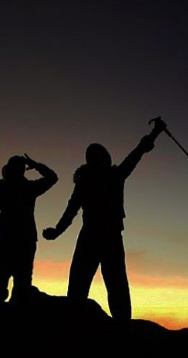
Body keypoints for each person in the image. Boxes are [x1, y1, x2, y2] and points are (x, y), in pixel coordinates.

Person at [43, 118, 167, 320]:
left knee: (81, 285)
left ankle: (77, 324)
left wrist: (57, 230)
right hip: (109, 237)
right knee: (113, 286)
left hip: (92, 236)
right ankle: (121, 328)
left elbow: (71, 210)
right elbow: (137, 154)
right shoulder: (113, 176)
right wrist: (156, 132)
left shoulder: (87, 179)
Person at [0, 154, 58, 303]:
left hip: (19, 241)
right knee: (7, 280)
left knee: (16, 282)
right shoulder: (16, 187)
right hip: (13, 241)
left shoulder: (23, 187)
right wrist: (36, 165)